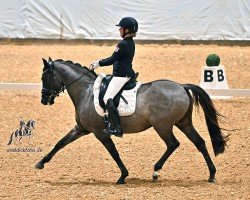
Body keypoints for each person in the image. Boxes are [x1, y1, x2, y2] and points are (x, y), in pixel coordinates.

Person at [90, 17, 138, 137]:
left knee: (107, 98)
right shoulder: (130, 42)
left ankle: (116, 127)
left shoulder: (123, 43)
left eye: (121, 28)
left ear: (126, 30)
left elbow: (112, 59)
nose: (119, 30)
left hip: (121, 75)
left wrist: (98, 63)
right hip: (125, 73)